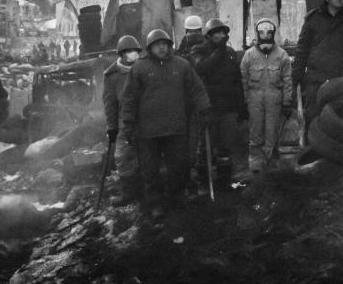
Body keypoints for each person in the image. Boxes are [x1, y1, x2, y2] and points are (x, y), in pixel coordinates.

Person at [121, 29, 211, 215]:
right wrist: (128, 122)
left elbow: (197, 89)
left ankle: (176, 199)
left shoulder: (182, 65)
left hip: (175, 127)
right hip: (148, 131)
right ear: (150, 47)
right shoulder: (139, 68)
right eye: (157, 44)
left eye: (164, 44)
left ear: (169, 46)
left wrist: (204, 109)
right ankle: (155, 203)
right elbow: (129, 97)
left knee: (179, 167)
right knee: (150, 170)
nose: (161, 47)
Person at [292, 0, 343, 144]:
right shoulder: (313, 19)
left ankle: (333, 151)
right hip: (316, 76)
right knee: (313, 114)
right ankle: (310, 149)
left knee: (338, 116)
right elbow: (302, 50)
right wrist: (296, 76)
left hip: (339, 76)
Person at [190, 18, 246, 182]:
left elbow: (237, 80)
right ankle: (203, 181)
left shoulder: (230, 52)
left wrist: (241, 106)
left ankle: (224, 180)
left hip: (228, 107)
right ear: (209, 35)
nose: (221, 36)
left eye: (223, 33)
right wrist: (219, 51)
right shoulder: (199, 50)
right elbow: (201, 68)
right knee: (205, 146)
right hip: (209, 108)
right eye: (217, 33)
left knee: (225, 146)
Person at [240, 18, 293, 172]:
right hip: (254, 101)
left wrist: (287, 102)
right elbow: (243, 80)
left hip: (274, 101)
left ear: (273, 33)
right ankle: (256, 169)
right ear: (257, 34)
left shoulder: (282, 55)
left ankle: (273, 168)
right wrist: (243, 102)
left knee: (273, 134)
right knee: (256, 135)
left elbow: (288, 80)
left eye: (268, 32)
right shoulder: (249, 55)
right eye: (262, 32)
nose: (265, 35)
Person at [103, 35, 143, 206]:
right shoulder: (112, 75)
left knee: (148, 156)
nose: (133, 55)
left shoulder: (145, 68)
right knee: (122, 156)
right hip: (124, 121)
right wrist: (112, 127)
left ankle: (148, 192)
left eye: (135, 52)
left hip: (146, 118)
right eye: (128, 52)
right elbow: (110, 103)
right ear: (121, 54)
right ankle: (128, 192)